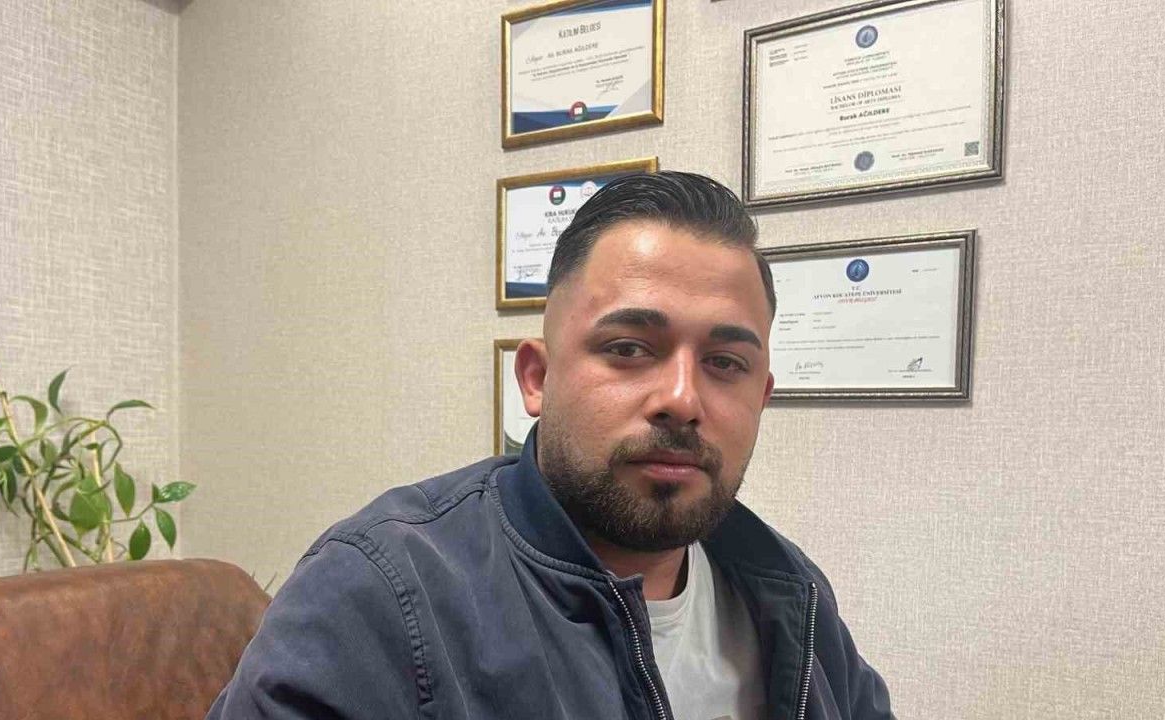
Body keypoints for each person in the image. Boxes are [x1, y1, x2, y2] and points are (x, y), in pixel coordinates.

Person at [207, 171, 893, 719]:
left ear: (761, 396)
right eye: (629, 349)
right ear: (536, 378)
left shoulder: (788, 591)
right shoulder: (381, 595)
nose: (683, 400)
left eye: (724, 363)